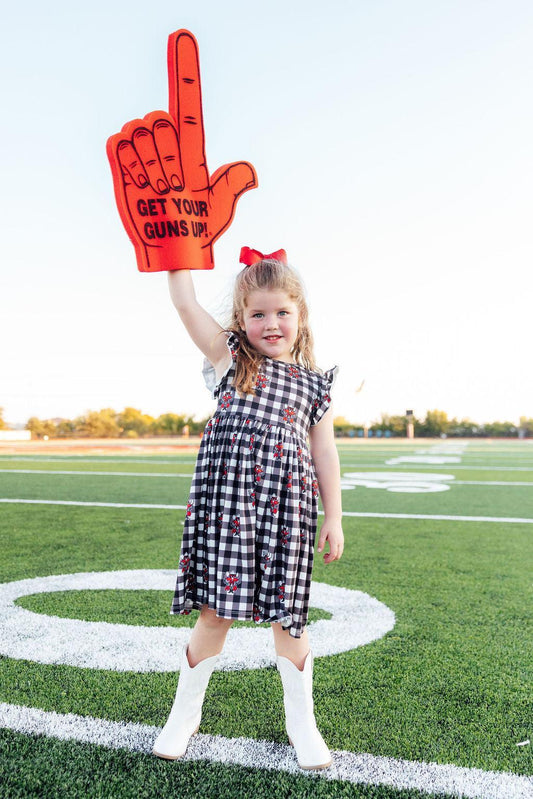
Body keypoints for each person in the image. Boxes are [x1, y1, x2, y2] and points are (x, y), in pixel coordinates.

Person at [153, 247, 344, 770]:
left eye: (282, 311)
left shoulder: (314, 384)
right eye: (257, 313)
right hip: (229, 509)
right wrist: (176, 254)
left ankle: (301, 721)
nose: (271, 323)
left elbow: (324, 452)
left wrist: (334, 516)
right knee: (215, 613)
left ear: (300, 315)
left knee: (290, 619)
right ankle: (184, 713)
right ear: (241, 320)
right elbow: (187, 305)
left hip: (286, 514)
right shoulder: (230, 358)